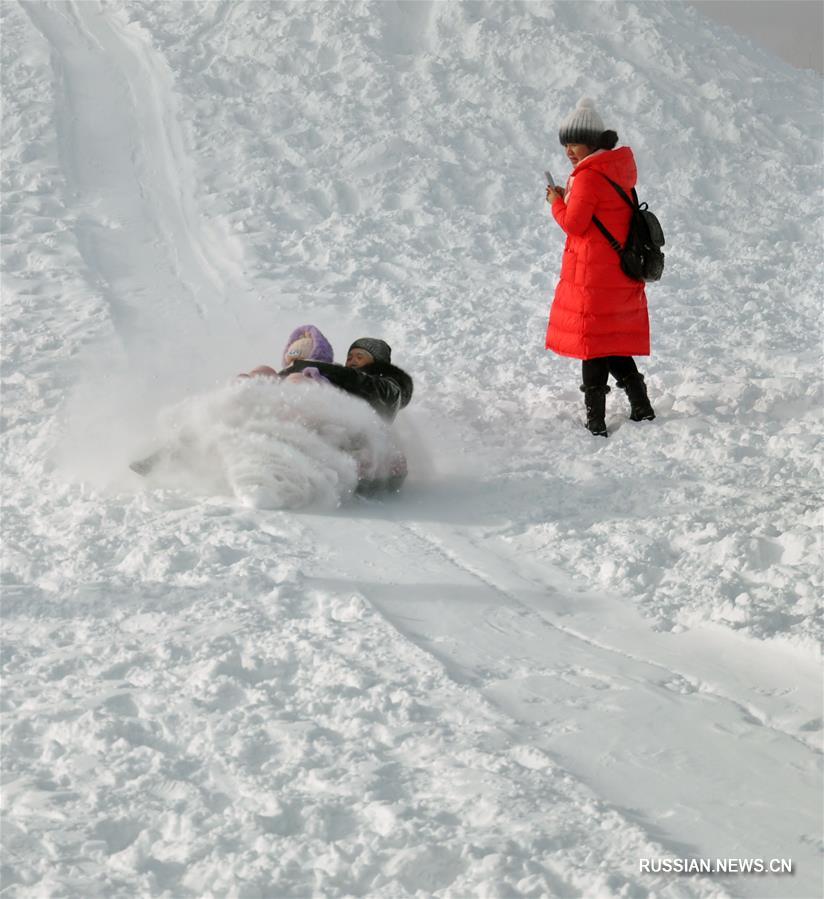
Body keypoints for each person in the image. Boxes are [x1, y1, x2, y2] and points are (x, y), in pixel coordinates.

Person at [545, 97, 655, 437]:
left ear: (591, 143)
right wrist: (569, 195)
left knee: (593, 344)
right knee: (611, 342)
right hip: (618, 272)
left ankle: (595, 420)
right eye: (565, 145)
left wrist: (556, 202)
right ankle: (641, 406)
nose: (569, 151)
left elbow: (575, 224)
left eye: (574, 143)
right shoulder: (615, 172)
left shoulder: (590, 178)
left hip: (594, 275)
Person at [280, 337, 413, 423]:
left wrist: (301, 366)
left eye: (359, 356)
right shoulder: (342, 378)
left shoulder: (392, 389)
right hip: (323, 423)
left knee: (297, 379)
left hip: (353, 441)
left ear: (377, 362)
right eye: (349, 357)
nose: (352, 360)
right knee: (266, 371)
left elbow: (360, 382)